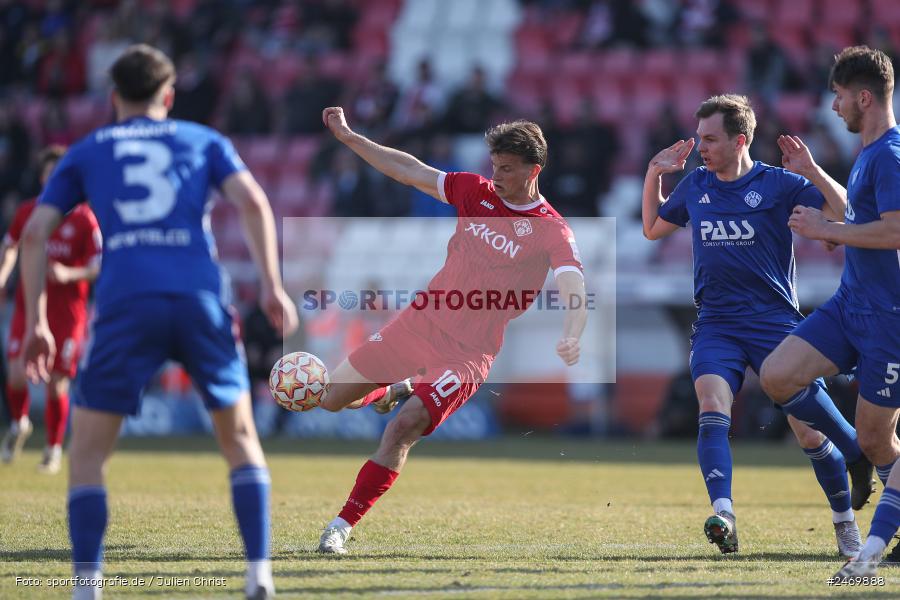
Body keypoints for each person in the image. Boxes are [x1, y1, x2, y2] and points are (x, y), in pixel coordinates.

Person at [19, 44, 298, 600]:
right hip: (199, 296)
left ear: (114, 96)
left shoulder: (88, 150)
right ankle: (258, 575)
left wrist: (35, 324)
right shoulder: (203, 140)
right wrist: (271, 285)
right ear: (168, 96)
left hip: (127, 303)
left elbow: (33, 234)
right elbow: (255, 203)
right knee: (241, 440)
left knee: (90, 452)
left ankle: (86, 587)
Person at [308, 106, 587, 555]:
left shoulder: (549, 229)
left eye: (507, 169)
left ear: (533, 170)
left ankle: (340, 525)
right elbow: (409, 171)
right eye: (494, 165)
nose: (496, 176)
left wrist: (573, 330)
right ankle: (390, 390)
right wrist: (350, 139)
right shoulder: (474, 190)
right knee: (329, 398)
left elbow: (573, 281)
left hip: (469, 353)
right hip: (421, 322)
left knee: (405, 428)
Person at [642, 94, 873, 556]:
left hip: (774, 324)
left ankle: (845, 521)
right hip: (717, 324)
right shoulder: (695, 186)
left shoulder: (779, 184)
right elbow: (652, 229)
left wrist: (812, 172)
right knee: (711, 403)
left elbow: (845, 211)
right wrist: (654, 175)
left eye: (710, 139)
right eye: (700, 137)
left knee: (809, 434)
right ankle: (724, 515)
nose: (701, 147)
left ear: (740, 140)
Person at [758, 46, 900, 579]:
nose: (833, 106)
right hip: (851, 304)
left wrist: (826, 231)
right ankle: (859, 458)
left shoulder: (889, 155)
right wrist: (815, 173)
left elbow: (895, 230)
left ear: (863, 96)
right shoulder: (868, 152)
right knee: (776, 375)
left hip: (889, 317)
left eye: (839, 96)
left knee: (877, 436)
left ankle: (879, 484)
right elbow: (856, 214)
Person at [0, 145, 100, 473]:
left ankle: (53, 448)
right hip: (29, 308)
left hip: (67, 312)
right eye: (49, 173)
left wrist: (69, 273)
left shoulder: (85, 219)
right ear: (43, 178)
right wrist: (2, 277)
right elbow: (11, 246)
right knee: (16, 374)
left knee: (56, 381)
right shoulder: (29, 212)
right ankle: (19, 424)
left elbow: (99, 264)